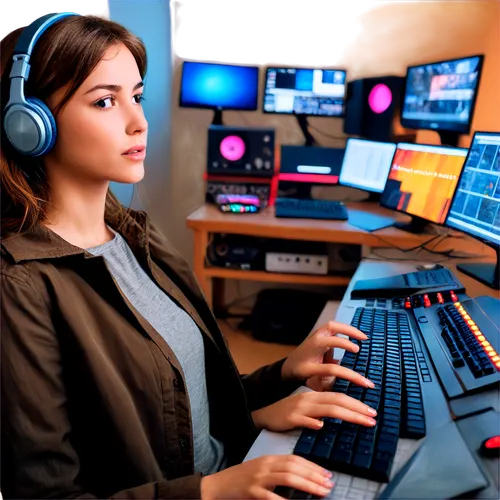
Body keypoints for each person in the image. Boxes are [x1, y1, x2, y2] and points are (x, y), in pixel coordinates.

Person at [0, 10, 378, 500]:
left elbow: (186, 398)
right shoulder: (20, 287)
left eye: (136, 97)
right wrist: (211, 492)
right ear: (31, 124)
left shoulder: (135, 237)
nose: (139, 122)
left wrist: (283, 376)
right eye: (104, 101)